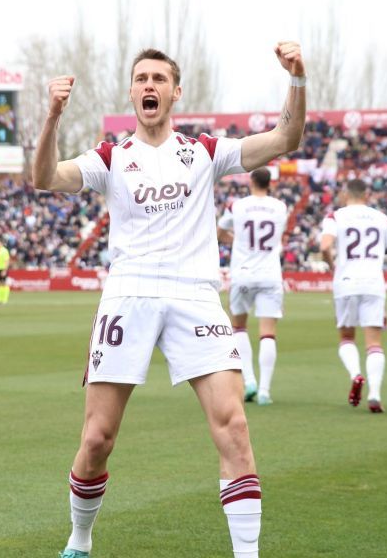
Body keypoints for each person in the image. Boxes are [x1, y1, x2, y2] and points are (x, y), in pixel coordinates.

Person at [33, 42, 306, 558]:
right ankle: (80, 538)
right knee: (97, 439)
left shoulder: (204, 152)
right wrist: (52, 117)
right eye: (142, 78)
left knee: (234, 427)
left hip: (194, 295)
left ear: (176, 92)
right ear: (131, 92)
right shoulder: (111, 157)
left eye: (159, 79)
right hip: (128, 295)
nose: (150, 86)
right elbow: (44, 178)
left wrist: (297, 78)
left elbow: (285, 137)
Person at [320, 179, 387, 413]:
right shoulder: (381, 218)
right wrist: (381, 259)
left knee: (347, 338)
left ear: (345, 194)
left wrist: (332, 265)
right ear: (366, 195)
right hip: (373, 283)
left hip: (346, 281)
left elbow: (325, 246)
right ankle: (375, 394)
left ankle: (356, 375)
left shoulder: (335, 216)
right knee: (374, 343)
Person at [217, 167, 288, 406]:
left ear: (251, 181)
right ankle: (265, 391)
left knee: (238, 327)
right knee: (268, 333)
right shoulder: (280, 207)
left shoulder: (237, 206)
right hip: (270, 274)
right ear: (270, 183)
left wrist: (237, 241)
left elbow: (219, 232)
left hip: (243, 273)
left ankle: (249, 381)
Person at [0, 238, 11, 305]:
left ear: (1, 243)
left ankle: (4, 299)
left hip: (3, 269)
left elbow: (7, 261)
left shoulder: (4, 250)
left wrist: (5, 270)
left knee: (4, 284)